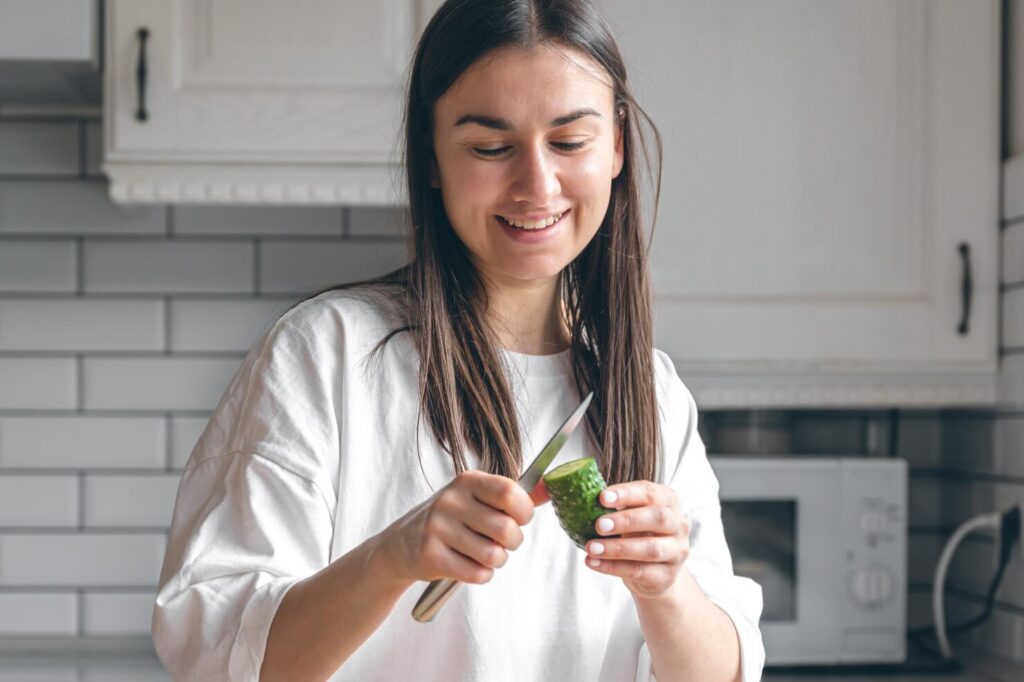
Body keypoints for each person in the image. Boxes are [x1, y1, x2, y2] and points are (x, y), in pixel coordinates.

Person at [151, 0, 765, 680]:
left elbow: (723, 670)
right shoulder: (325, 355)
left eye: (569, 142)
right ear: (433, 156)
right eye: (491, 147)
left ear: (616, 145)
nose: (537, 184)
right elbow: (219, 657)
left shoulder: (651, 392)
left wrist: (667, 586)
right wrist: (393, 557)